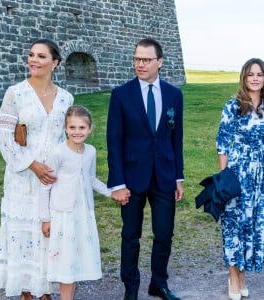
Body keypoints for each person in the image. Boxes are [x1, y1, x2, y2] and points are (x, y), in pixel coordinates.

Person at [0, 38, 74, 300]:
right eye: (31, 55)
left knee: (50, 232)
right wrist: (33, 165)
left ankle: (45, 290)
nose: (33, 60)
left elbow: (68, 138)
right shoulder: (16, 93)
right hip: (23, 178)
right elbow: (4, 137)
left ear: (55, 63)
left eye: (41, 56)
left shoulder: (66, 97)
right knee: (24, 234)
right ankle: (27, 291)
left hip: (53, 178)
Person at [107, 38, 184, 300]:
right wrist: (117, 183)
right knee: (131, 236)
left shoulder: (175, 95)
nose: (140, 64)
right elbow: (113, 141)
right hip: (131, 178)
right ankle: (131, 288)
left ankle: (158, 284)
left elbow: (177, 139)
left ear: (159, 62)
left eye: (146, 60)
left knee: (164, 234)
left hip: (164, 175)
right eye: (137, 59)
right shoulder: (121, 94)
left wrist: (178, 177)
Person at [39, 105, 111, 300]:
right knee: (65, 261)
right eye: (72, 127)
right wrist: (46, 219)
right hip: (63, 214)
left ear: (90, 129)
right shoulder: (58, 153)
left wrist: (112, 194)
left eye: (81, 128)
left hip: (83, 214)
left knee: (75, 260)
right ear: (65, 128)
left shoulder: (91, 152)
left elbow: (92, 179)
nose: (77, 132)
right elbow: (45, 187)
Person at [216, 58, 264, 300]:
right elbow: (222, 145)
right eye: (250, 74)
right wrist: (224, 179)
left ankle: (242, 275)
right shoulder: (232, 105)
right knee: (234, 226)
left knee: (252, 227)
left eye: (260, 74)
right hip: (237, 173)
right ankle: (233, 277)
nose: (255, 78)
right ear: (244, 78)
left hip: (261, 178)